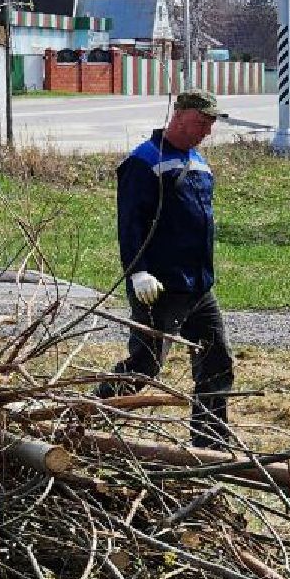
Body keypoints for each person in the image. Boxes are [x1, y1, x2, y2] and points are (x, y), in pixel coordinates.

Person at [97, 89, 235, 449]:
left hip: (198, 287)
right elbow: (130, 223)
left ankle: (210, 444)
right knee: (144, 367)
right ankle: (84, 417)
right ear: (180, 116)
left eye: (211, 125)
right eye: (202, 123)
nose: (207, 131)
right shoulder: (144, 161)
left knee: (216, 361)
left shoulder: (199, 162)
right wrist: (138, 271)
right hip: (159, 287)